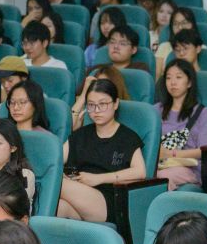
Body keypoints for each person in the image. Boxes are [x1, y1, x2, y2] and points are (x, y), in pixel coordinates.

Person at [58, 77, 145, 224]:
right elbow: (54, 161)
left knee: (56, 183)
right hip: (79, 195)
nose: (96, 111)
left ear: (116, 103)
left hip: (108, 199)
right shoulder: (80, 134)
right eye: (91, 105)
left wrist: (98, 178)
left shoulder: (128, 137)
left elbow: (140, 172)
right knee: (58, 207)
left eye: (103, 104)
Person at [155, 59, 207, 190]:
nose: (173, 82)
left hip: (189, 167)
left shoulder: (202, 112)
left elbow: (204, 151)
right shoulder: (156, 110)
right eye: (168, 78)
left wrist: (170, 154)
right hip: (158, 164)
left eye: (178, 77)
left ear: (189, 82)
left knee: (160, 178)